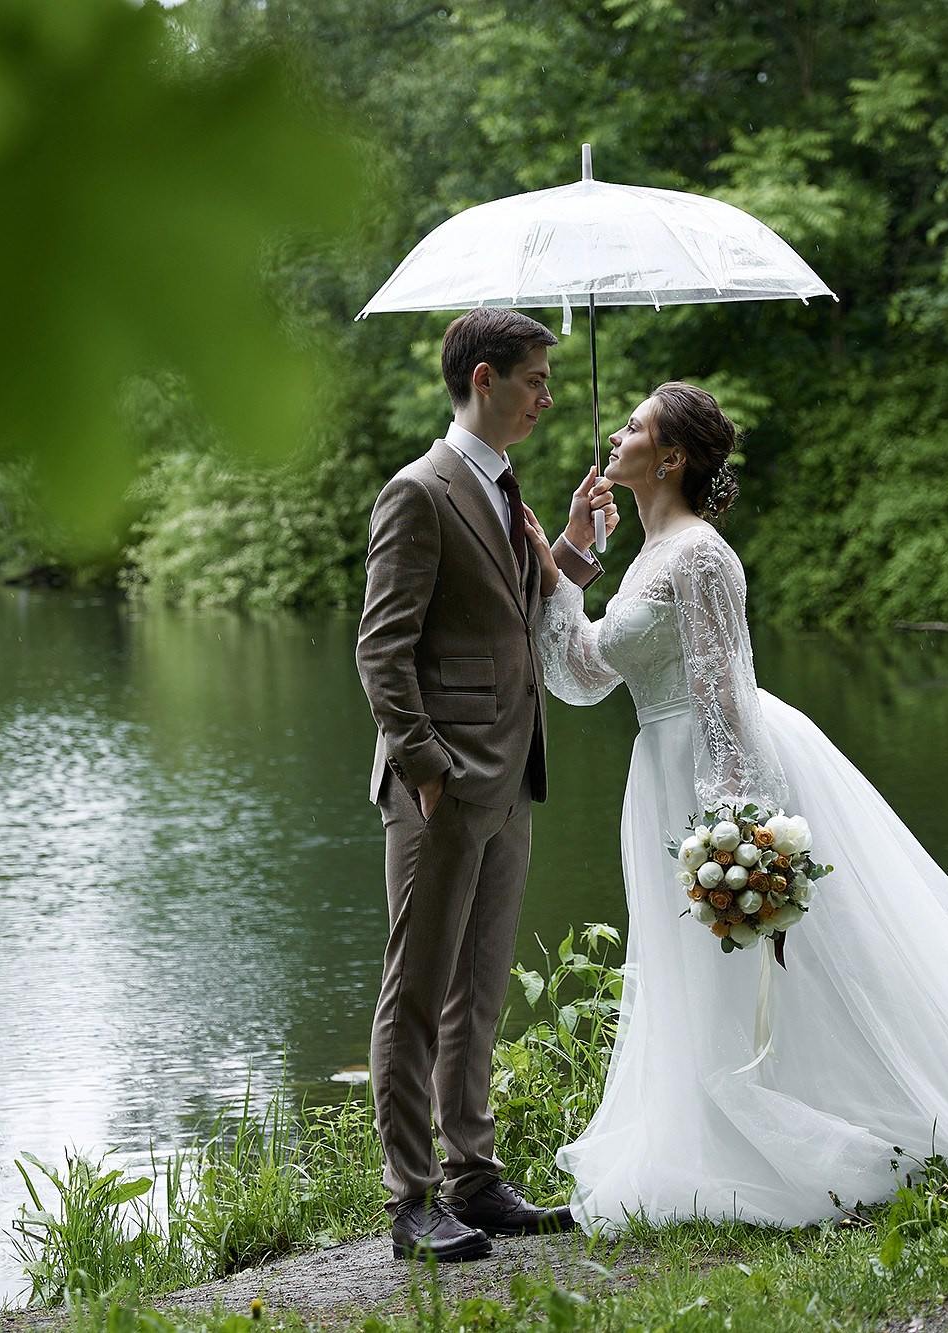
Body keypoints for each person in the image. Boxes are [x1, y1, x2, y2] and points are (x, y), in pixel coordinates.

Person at [521, 381, 948, 1230]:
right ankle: (708, 1138)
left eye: (635, 426)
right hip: (655, 771)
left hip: (710, 774)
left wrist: (732, 833)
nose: (615, 434)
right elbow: (581, 676)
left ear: (671, 458)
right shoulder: (648, 556)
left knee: (769, 959)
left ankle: (824, 1124)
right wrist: (569, 555)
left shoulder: (701, 556)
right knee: (691, 971)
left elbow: (723, 694)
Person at [355, 307, 612, 1261]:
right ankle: (411, 1200)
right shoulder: (418, 492)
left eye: (549, 379)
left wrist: (578, 539)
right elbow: (382, 652)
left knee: (480, 989)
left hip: (512, 777)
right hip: (444, 785)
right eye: (536, 378)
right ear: (485, 379)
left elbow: (534, 612)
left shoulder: (508, 489)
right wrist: (425, 769)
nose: (548, 395)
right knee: (417, 991)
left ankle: (474, 1176)